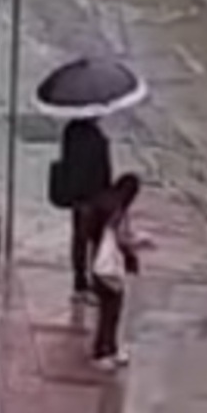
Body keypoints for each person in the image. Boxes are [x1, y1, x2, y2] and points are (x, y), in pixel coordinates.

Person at [88, 174, 141, 368]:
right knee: (112, 311)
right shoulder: (118, 210)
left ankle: (106, 349)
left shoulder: (103, 202)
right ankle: (104, 351)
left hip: (97, 264)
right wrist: (137, 247)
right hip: (110, 268)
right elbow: (120, 238)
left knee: (106, 311)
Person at [60, 117, 113, 298]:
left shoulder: (70, 130)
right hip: (92, 194)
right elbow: (102, 168)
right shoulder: (92, 135)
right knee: (93, 239)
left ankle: (80, 281)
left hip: (80, 195)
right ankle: (90, 282)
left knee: (80, 238)